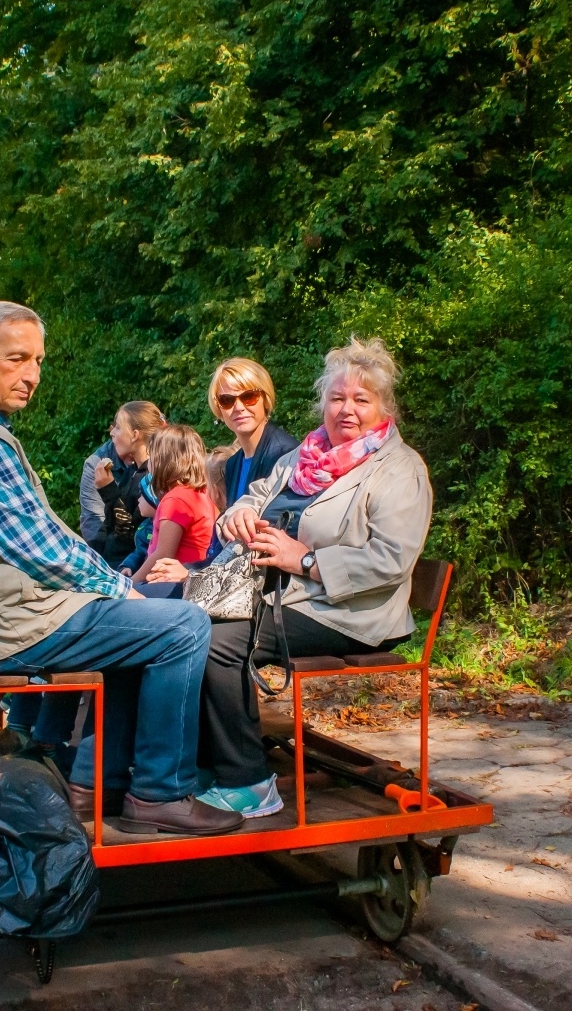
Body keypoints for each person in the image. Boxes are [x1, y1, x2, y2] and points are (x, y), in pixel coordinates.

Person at [0, 300, 241, 836]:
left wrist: (119, 588)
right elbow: (42, 549)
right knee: (184, 624)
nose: (31, 375)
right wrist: (120, 590)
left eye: (37, 361)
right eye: (16, 359)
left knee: (152, 620)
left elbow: (44, 534)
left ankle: (93, 780)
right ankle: (160, 791)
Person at [197, 339, 432, 819]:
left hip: (349, 610)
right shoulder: (305, 457)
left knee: (216, 642)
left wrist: (304, 560)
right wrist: (235, 519)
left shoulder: (400, 470)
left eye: (361, 400)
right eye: (337, 398)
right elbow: (256, 494)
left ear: (383, 409)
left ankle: (247, 781)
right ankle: (197, 763)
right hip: (281, 594)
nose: (347, 410)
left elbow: (390, 561)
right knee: (175, 620)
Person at [129, 424, 216, 587]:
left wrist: (130, 584)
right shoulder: (203, 492)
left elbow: (163, 555)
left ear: (163, 461)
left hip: (174, 584)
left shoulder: (176, 500)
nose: (148, 465)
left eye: (152, 457)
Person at [210, 358, 298, 516]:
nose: (238, 407)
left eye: (249, 397)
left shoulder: (285, 455)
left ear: (265, 399)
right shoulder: (233, 463)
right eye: (227, 400)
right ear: (218, 408)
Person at [92, 402, 165, 567]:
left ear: (134, 435)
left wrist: (108, 489)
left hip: (128, 567)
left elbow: (129, 534)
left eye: (117, 427)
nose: (112, 432)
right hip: (110, 562)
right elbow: (109, 525)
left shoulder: (151, 478)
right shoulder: (132, 471)